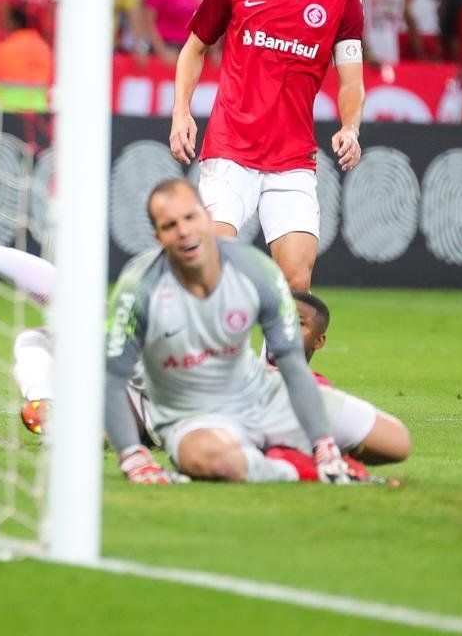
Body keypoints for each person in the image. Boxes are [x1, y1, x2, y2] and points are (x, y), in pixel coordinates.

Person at [103, 179, 409, 484]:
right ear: (158, 236)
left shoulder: (253, 269)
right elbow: (111, 379)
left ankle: (290, 451)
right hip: (192, 417)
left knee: (396, 443)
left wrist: (323, 442)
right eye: (170, 225)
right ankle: (299, 470)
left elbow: (291, 363)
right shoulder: (138, 288)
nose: (184, 231)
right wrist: (133, 456)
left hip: (263, 395)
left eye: (190, 217)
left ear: (207, 218)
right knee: (211, 461)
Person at [168, 0, 366, 293]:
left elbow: (351, 80)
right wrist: (181, 111)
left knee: (297, 282)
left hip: (292, 160)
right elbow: (194, 48)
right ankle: (213, 356)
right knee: (211, 266)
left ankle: (273, 363)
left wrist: (350, 127)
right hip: (229, 151)